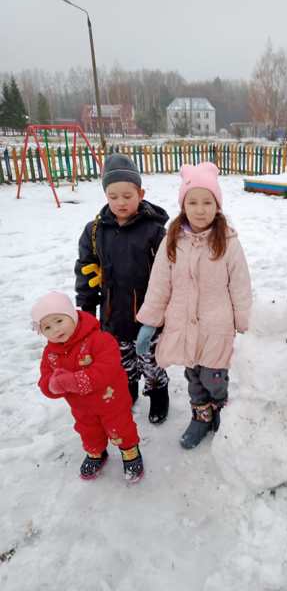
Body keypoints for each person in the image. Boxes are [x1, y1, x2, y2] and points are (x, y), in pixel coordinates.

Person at [135, 161, 252, 449]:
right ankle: (201, 417)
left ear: (217, 205)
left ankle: (221, 413)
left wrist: (246, 324)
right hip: (182, 324)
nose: (200, 209)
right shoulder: (172, 240)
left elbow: (240, 285)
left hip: (217, 326)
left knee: (214, 377)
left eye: (207, 202)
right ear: (183, 205)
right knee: (193, 377)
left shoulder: (228, 241)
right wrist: (150, 322)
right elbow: (160, 282)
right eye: (193, 202)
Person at [75, 153, 170, 424]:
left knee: (151, 362)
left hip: (148, 317)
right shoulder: (95, 231)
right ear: (105, 194)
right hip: (112, 316)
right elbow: (86, 270)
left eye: (127, 196)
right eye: (113, 196)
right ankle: (128, 389)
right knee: (120, 362)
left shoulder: (155, 232)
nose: (120, 202)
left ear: (140, 193)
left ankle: (158, 393)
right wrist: (87, 307)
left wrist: (162, 313)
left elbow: (167, 276)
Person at [32, 291, 144, 482]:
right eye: (47, 327)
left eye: (59, 321)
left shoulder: (99, 339)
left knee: (121, 428)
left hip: (111, 401)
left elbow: (106, 370)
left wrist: (72, 381)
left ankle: (130, 451)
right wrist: (52, 385)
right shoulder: (51, 353)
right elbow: (45, 380)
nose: (55, 330)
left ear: (72, 315)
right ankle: (96, 452)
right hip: (82, 407)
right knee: (88, 431)